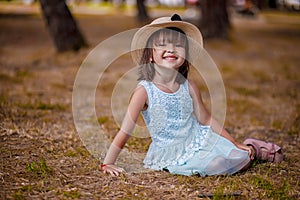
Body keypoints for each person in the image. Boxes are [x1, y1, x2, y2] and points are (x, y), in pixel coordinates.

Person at [100, 14, 282, 177]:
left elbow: (206, 118)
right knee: (217, 166)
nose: (171, 49)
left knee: (238, 156)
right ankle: (244, 153)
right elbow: (125, 131)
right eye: (162, 44)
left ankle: (252, 148)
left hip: (198, 139)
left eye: (178, 45)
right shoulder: (144, 92)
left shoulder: (189, 86)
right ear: (150, 56)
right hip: (171, 151)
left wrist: (234, 142)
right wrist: (108, 162)